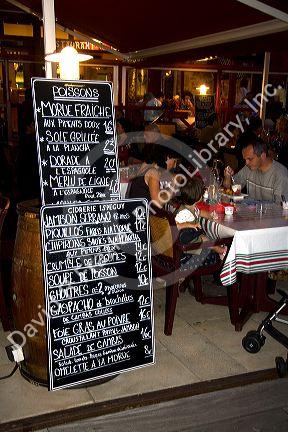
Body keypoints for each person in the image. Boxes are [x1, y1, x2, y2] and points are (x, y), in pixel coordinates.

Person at [173, 177, 227, 269]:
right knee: (206, 239)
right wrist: (190, 225)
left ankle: (220, 250)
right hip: (187, 246)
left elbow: (201, 213)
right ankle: (222, 251)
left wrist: (211, 215)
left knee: (205, 237)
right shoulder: (184, 213)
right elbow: (175, 226)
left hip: (192, 239)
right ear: (198, 197)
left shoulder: (191, 208)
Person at [223, 135, 288, 203]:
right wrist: (227, 177)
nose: (246, 163)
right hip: (249, 212)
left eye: (250, 159)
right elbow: (230, 189)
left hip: (270, 213)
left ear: (263, 156)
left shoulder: (280, 174)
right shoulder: (248, 168)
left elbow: (281, 209)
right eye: (245, 159)